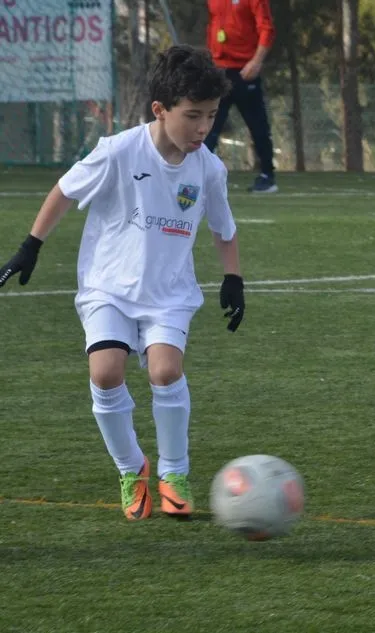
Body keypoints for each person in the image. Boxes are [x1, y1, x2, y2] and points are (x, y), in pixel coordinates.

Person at [0, 45, 245, 521]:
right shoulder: (118, 150)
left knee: (165, 372)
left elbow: (223, 227)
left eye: (211, 116)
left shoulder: (209, 168)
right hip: (108, 286)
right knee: (105, 373)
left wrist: (233, 277)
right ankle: (132, 470)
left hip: (168, 291)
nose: (202, 128)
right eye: (192, 116)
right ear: (160, 109)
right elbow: (66, 191)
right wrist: (31, 245)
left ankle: (174, 473)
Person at [204, 0, 278, 193]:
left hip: (245, 70)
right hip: (218, 70)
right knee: (208, 125)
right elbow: (213, 24)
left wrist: (256, 61)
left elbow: (267, 29)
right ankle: (197, 175)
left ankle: (267, 176)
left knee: (258, 125)